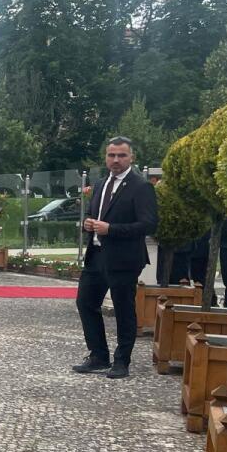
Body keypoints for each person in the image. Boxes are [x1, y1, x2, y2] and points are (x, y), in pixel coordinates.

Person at [73, 136, 158, 379]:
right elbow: (93, 213)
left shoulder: (141, 186)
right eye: (112, 155)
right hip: (97, 255)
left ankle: (122, 361)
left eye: (121, 155)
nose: (116, 160)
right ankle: (98, 355)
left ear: (131, 157)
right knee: (85, 303)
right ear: (106, 157)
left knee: (123, 310)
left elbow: (149, 224)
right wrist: (87, 223)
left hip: (124, 259)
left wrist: (111, 229)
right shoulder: (100, 184)